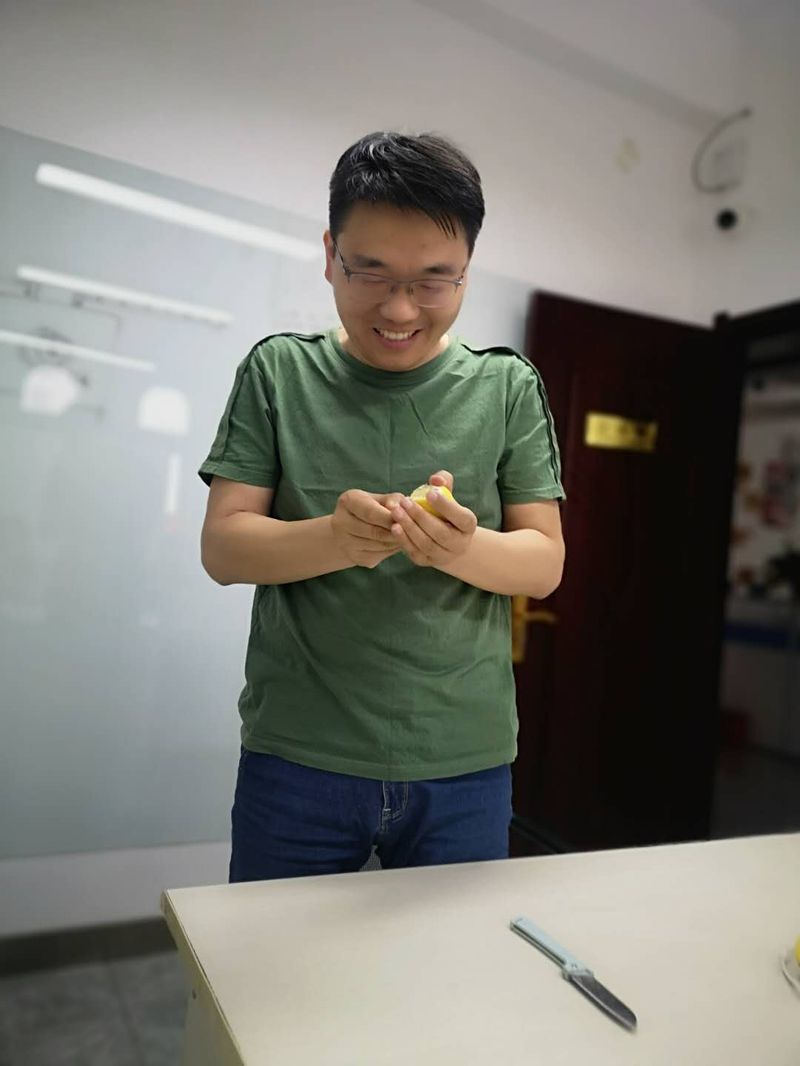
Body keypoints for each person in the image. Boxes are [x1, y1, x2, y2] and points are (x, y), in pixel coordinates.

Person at [198, 131, 565, 882]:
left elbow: (544, 564)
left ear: (466, 270)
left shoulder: (507, 388)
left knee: (450, 955)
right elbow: (224, 548)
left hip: (463, 759)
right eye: (369, 272)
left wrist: (459, 548)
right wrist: (337, 538)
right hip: (299, 753)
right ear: (330, 253)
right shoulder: (279, 372)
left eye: (433, 281)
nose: (399, 309)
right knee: (278, 955)